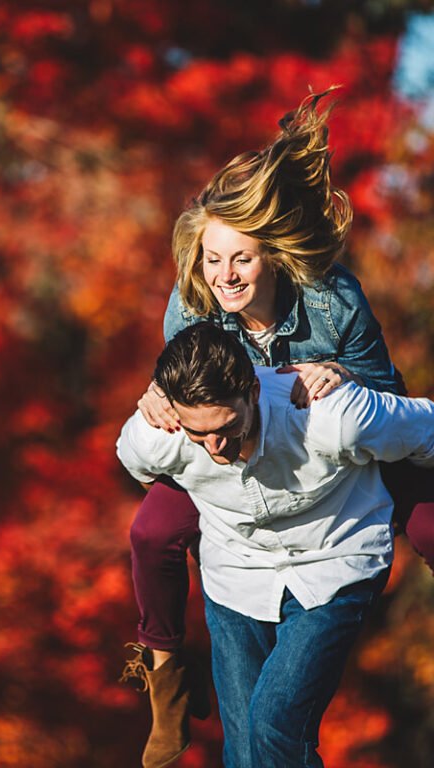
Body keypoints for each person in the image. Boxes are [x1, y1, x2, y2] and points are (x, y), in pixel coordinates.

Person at [119, 90, 434, 767]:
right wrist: (156, 398)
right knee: (152, 529)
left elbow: (387, 401)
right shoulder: (191, 302)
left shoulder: (331, 298)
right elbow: (181, 385)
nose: (225, 275)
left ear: (272, 256)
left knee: (432, 525)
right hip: (233, 456)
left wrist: (342, 379)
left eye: (240, 259)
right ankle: (166, 672)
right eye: (212, 260)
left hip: (345, 446)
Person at [117, 322, 434, 768]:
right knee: (244, 750)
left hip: (334, 564)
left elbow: (427, 429)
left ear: (251, 391)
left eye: (227, 426)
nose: (216, 446)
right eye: (199, 434)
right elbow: (137, 464)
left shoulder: (333, 417)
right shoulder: (158, 435)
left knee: (276, 724)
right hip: (235, 579)